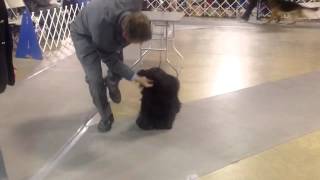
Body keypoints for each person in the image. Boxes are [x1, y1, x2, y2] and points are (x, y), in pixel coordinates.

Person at [70, 0, 154, 133]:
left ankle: (112, 81)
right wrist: (136, 77)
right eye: (133, 42)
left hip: (109, 26)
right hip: (83, 35)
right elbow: (112, 61)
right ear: (125, 35)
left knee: (117, 66)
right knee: (95, 80)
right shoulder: (102, 31)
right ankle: (106, 115)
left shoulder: (135, 5)